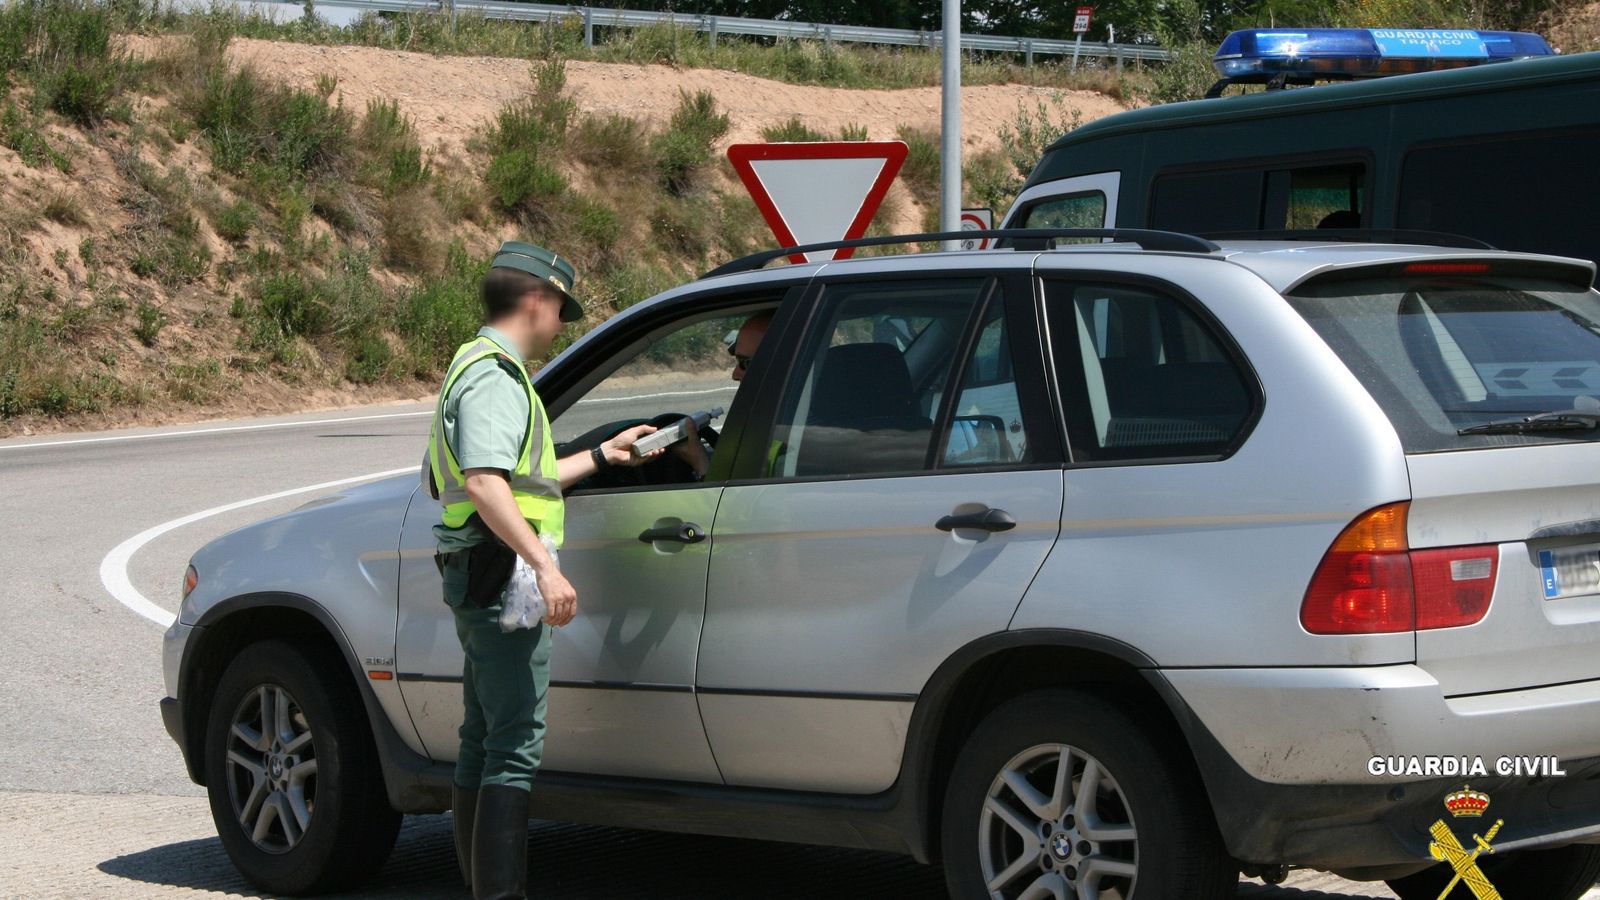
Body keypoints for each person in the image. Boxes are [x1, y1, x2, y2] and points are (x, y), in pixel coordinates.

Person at [426, 240, 663, 900]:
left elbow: (520, 477)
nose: (561, 326)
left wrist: (604, 456)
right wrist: (544, 567)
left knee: (485, 736)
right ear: (537, 300)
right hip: (503, 573)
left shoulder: (476, 367)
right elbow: (484, 482)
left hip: (483, 567)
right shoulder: (495, 379)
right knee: (513, 745)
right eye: (561, 310)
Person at [673, 309, 772, 478]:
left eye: (745, 363)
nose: (735, 374)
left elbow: (744, 503)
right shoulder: (785, 417)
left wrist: (701, 466)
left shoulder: (793, 437)